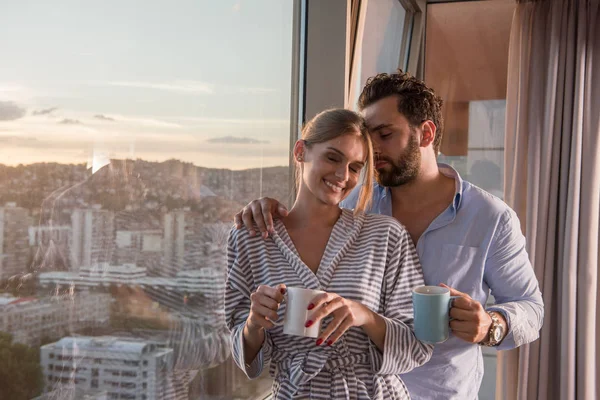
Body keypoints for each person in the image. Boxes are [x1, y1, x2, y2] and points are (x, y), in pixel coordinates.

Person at [234, 71, 544, 400]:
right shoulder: (354, 205)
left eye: (384, 135)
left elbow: (531, 309)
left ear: (425, 133)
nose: (372, 151)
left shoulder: (490, 218)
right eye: (368, 139)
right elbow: (305, 222)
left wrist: (491, 325)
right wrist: (265, 208)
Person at [225, 108, 433, 399]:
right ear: (300, 151)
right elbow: (241, 352)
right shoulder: (250, 239)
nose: (342, 176)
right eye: (333, 157)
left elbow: (417, 345)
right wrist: (253, 324)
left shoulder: (386, 236)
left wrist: (364, 315)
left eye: (355, 167)